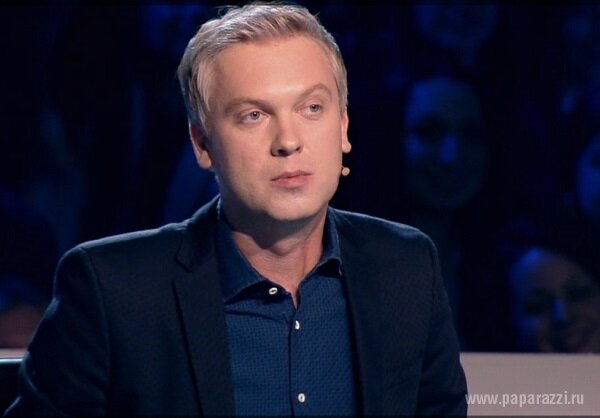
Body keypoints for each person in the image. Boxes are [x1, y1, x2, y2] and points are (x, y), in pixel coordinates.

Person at [4, 3, 467, 416]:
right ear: (203, 144)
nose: (288, 141)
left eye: (311, 108)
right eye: (253, 115)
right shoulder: (111, 290)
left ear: (343, 126)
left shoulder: (406, 267)